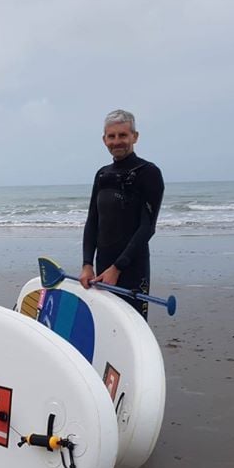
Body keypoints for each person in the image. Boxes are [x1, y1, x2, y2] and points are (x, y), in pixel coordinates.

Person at [79, 109, 164, 319]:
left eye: (123, 135)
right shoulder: (102, 174)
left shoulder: (148, 173)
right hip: (102, 268)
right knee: (107, 325)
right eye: (112, 136)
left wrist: (117, 268)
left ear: (135, 137)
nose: (117, 141)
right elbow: (93, 221)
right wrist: (87, 264)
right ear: (104, 139)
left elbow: (147, 228)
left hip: (132, 267)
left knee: (134, 325)